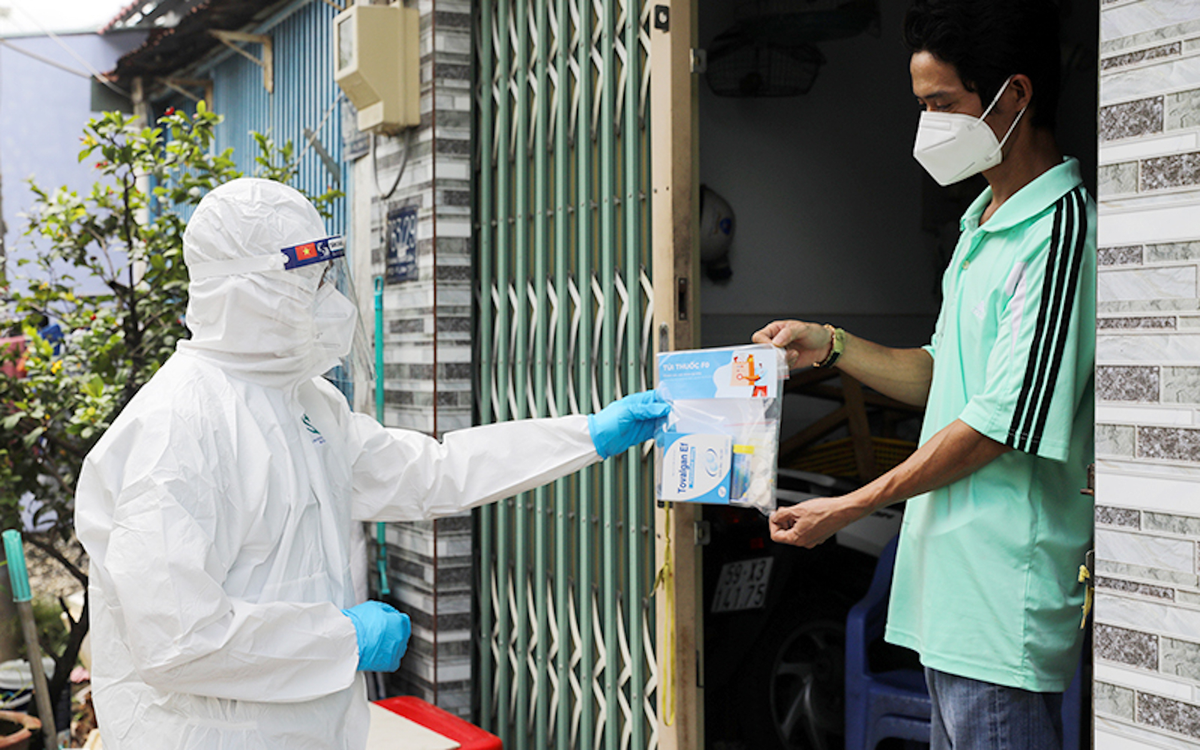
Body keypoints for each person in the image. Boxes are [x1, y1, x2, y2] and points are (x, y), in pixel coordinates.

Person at [75, 177, 667, 749]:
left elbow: (433, 472)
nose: (330, 303)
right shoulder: (174, 430)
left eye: (327, 278)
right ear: (249, 291)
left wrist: (586, 435)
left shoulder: (306, 403)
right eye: (309, 283)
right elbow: (178, 640)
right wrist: (343, 638)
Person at [753, 1, 1094, 748]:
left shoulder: (1059, 232)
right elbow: (942, 377)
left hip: (1000, 604)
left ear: (1014, 94)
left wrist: (849, 507)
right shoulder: (980, 226)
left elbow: (995, 427)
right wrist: (831, 345)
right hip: (948, 601)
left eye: (942, 104)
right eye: (921, 106)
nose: (927, 126)